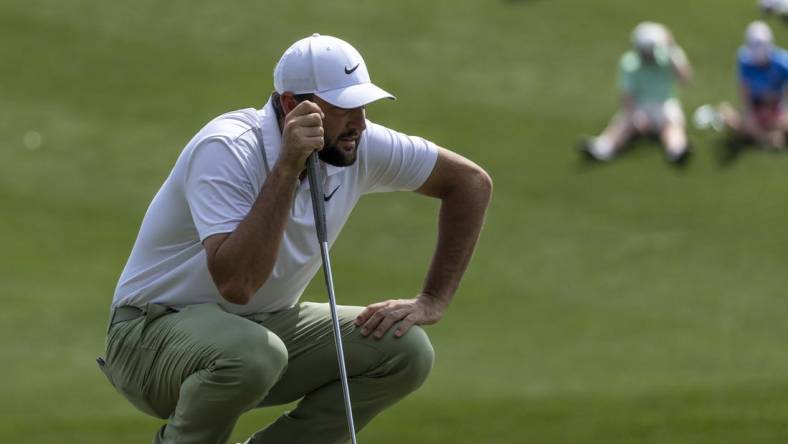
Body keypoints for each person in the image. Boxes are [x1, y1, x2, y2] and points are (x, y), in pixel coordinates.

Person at [97, 34, 492, 444]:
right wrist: (288, 168)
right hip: (147, 338)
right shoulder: (228, 147)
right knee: (254, 354)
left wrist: (432, 300)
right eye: (342, 108)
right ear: (291, 106)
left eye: (362, 104)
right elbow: (238, 284)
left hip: (256, 332)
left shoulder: (358, 140)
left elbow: (470, 183)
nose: (358, 121)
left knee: (405, 351)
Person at [581, 22, 693, 164]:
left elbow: (684, 79)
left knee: (671, 126)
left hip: (665, 103)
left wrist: (673, 53)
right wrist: (636, 115)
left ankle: (677, 150)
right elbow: (626, 95)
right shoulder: (630, 62)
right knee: (623, 124)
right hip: (640, 105)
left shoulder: (670, 57)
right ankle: (603, 148)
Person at [717, 21, 788, 149]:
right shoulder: (744, 61)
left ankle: (763, 136)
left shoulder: (783, 63)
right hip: (755, 112)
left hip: (776, 111)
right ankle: (769, 138)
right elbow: (744, 90)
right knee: (726, 115)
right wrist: (749, 115)